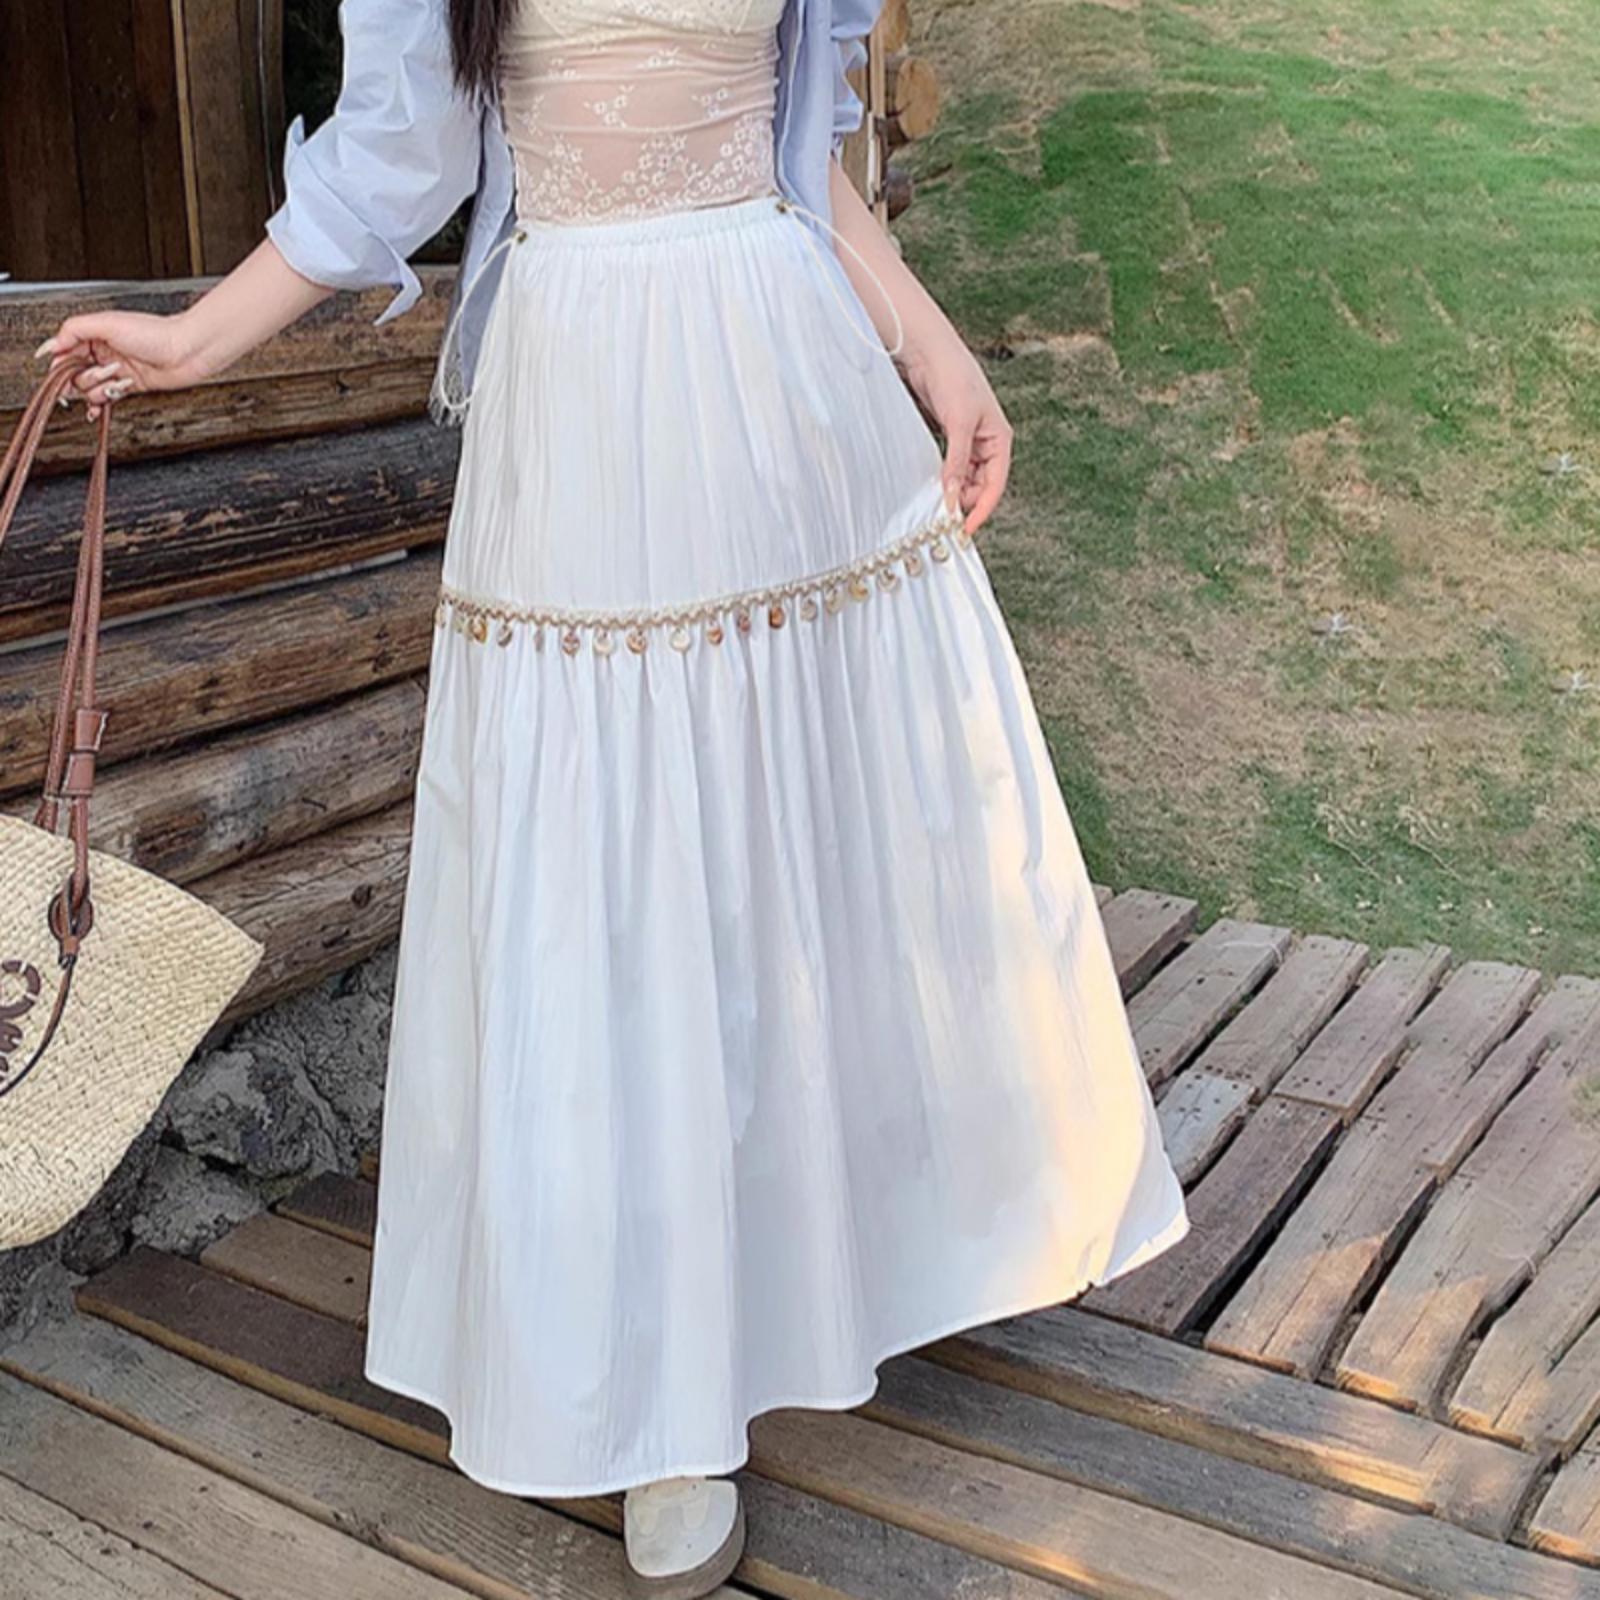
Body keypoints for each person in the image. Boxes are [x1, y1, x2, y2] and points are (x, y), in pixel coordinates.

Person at [39, 0, 1190, 1591]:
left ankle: (869, 1247)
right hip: (579, 388)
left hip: (786, 376)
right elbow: (401, 149)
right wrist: (193, 340)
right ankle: (660, 1401)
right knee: (613, 876)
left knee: (798, 830)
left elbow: (796, 142)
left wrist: (937, 355)